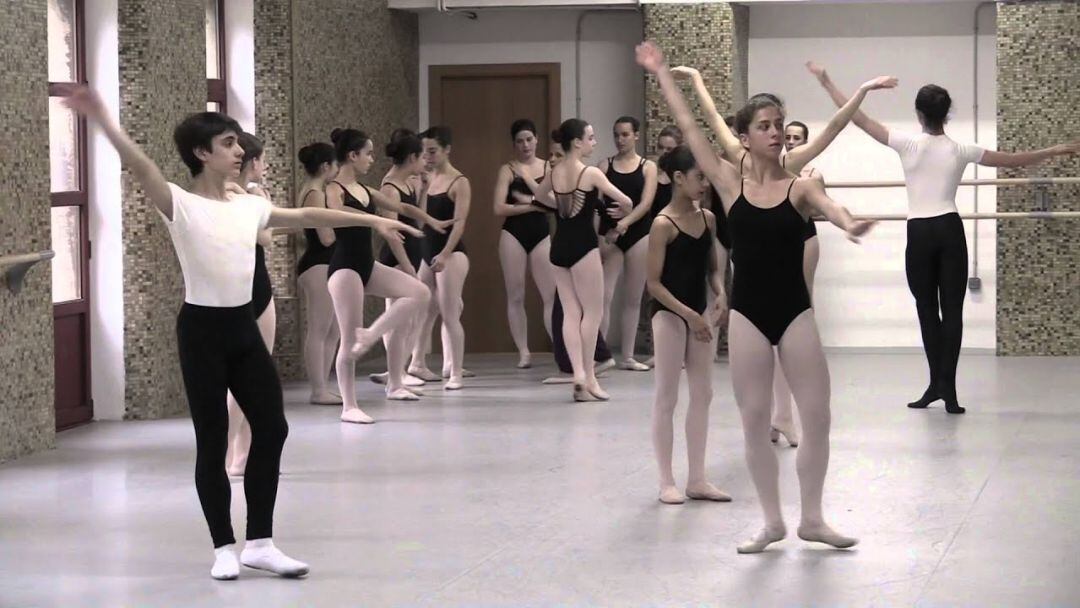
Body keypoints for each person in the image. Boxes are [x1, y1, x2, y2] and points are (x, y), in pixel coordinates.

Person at [64, 86, 420, 579]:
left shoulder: (249, 205)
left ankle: (260, 541)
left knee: (272, 428)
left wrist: (374, 222)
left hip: (243, 328)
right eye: (229, 144)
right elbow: (140, 164)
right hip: (202, 331)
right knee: (211, 440)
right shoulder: (181, 203)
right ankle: (222, 548)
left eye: (238, 144)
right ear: (201, 153)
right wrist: (101, 116)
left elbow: (308, 216)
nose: (239, 153)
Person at [638, 41, 876, 553]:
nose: (774, 132)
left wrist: (850, 223)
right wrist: (662, 75)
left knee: (817, 416)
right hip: (747, 315)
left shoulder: (800, 186)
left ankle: (811, 518)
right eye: (764, 125)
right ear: (744, 136)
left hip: (795, 313)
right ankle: (772, 521)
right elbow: (690, 128)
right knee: (752, 422)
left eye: (779, 124)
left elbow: (832, 208)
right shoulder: (726, 182)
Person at [810, 61, 1080, 414]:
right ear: (946, 115)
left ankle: (937, 384)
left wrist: (828, 81)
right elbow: (1012, 160)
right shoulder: (961, 149)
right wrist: (1054, 150)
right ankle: (946, 389)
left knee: (927, 311)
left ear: (919, 114)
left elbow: (855, 118)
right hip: (950, 230)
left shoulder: (906, 143)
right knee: (952, 312)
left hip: (920, 232)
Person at [647, 145, 731, 505]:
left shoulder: (708, 219)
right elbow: (653, 284)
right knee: (667, 396)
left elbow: (712, 268)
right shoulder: (662, 225)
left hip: (699, 312)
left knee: (704, 393)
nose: (705, 184)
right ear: (679, 179)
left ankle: (697, 477)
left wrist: (720, 294)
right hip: (669, 314)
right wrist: (689, 314)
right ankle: (667, 480)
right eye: (699, 177)